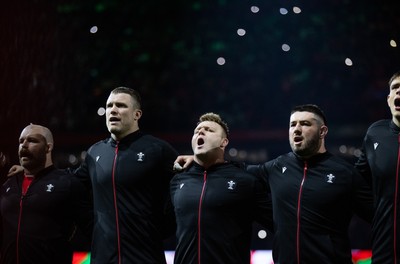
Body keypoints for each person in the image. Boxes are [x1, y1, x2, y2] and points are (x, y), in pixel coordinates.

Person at [175, 104, 373, 264]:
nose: (296, 129)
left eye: (305, 124)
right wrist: (198, 157)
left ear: (322, 131)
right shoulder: (277, 167)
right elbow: (232, 169)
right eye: (292, 124)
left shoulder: (345, 173)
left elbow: (378, 217)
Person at [74, 87, 179, 263]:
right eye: (109, 106)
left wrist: (163, 227)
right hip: (104, 257)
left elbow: (187, 186)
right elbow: (71, 185)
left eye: (121, 105)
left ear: (137, 114)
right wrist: (93, 227)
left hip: (145, 256)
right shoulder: (94, 152)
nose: (113, 110)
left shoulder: (158, 150)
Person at [170, 112, 273, 264]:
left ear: (223, 142)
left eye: (209, 130)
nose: (201, 132)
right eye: (197, 131)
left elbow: (279, 224)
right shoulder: (177, 181)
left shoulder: (245, 181)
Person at [0, 124, 93, 264]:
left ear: (48, 147)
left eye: (32, 140)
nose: (24, 145)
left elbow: (93, 231)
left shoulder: (67, 184)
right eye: (21, 141)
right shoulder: (8, 185)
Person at [355, 70, 400, 263]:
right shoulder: (375, 133)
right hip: (384, 248)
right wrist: (378, 213)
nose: (399, 92)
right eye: (395, 88)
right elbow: (358, 181)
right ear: (389, 99)